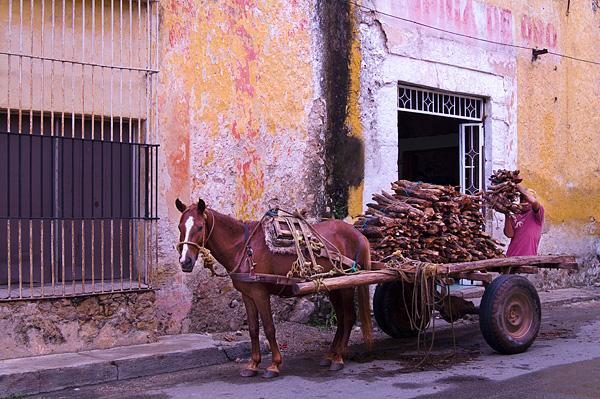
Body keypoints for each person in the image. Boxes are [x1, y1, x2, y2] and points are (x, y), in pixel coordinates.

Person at [503, 184, 545, 256]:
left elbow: (534, 202)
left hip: (528, 258)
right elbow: (509, 234)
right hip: (511, 256)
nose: (523, 201)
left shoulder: (537, 214)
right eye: (522, 198)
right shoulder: (515, 215)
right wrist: (506, 214)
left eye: (526, 199)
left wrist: (520, 189)